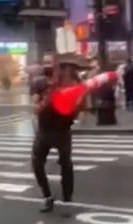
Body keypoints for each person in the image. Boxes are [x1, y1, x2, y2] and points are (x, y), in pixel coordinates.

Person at [30, 54, 88, 213]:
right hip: (44, 130)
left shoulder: (74, 84)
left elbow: (81, 108)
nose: (47, 66)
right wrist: (48, 99)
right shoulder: (39, 83)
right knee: (36, 162)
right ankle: (47, 196)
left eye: (50, 63)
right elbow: (35, 108)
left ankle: (67, 197)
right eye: (45, 62)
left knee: (66, 163)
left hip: (62, 130)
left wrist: (76, 107)